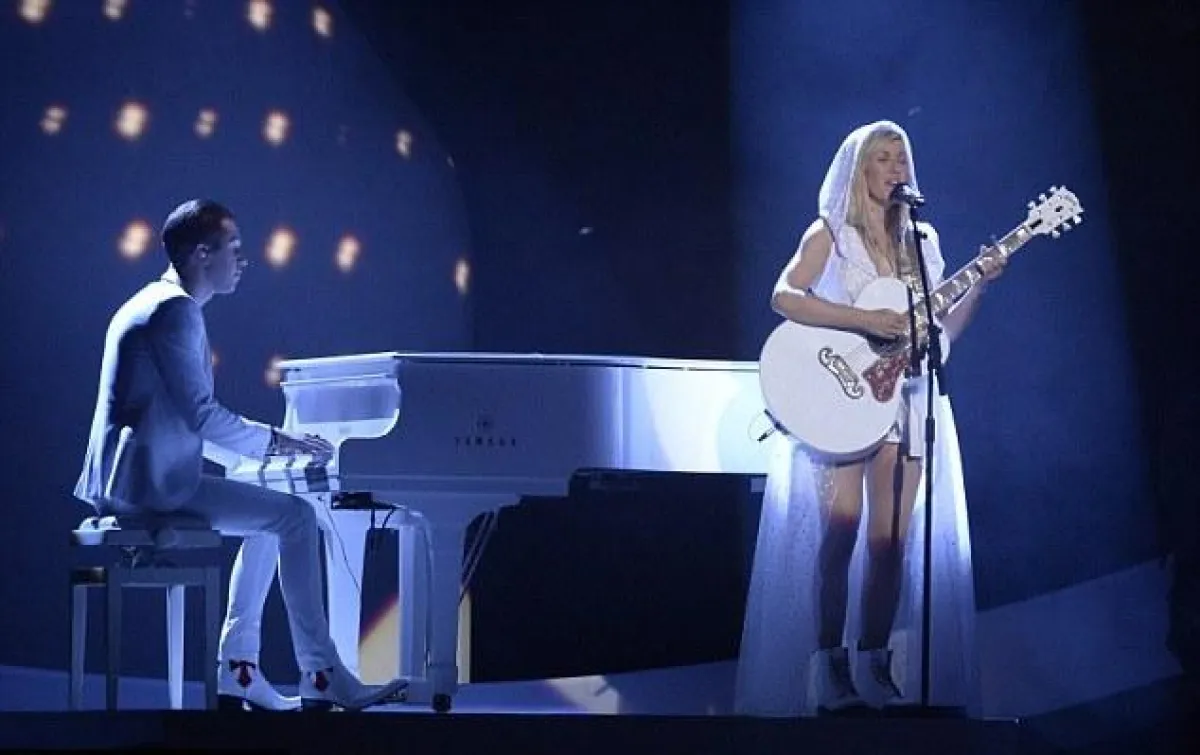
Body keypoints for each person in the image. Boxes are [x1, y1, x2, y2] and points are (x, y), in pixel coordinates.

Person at [74, 199, 405, 712]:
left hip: (129, 480)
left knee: (268, 511)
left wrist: (252, 460)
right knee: (296, 518)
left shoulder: (148, 301)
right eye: (234, 248)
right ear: (202, 254)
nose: (243, 260)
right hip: (149, 489)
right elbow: (202, 416)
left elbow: (172, 416)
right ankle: (322, 674)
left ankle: (239, 668)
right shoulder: (176, 310)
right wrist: (282, 442)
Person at [735, 121, 1004, 716]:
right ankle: (829, 667)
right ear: (860, 170)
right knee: (841, 532)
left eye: (901, 158)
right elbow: (784, 295)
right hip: (842, 395)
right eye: (883, 159)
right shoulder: (832, 233)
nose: (895, 169)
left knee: (890, 543)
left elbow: (940, 334)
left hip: (904, 400)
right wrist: (863, 320)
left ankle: (876, 663)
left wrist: (978, 288)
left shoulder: (922, 242)